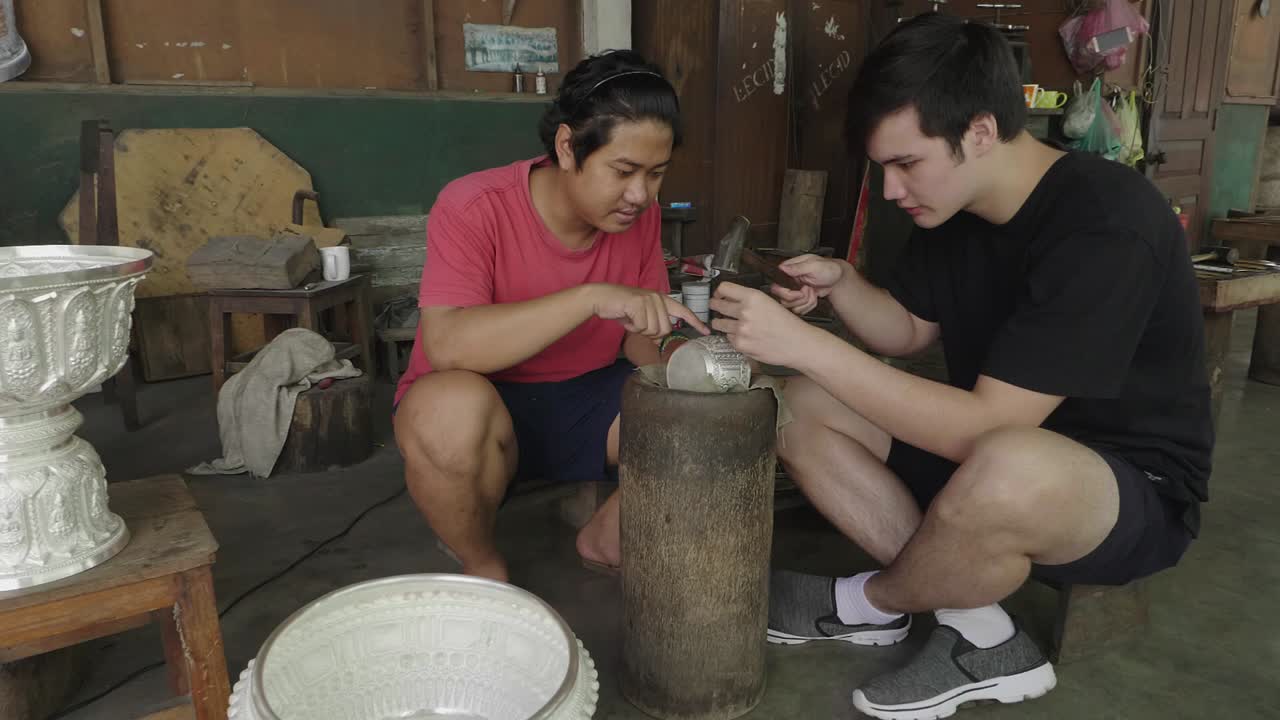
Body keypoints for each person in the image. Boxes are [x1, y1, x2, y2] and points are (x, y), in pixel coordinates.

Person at [708, 13, 1213, 719]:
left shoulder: (1107, 223)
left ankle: (867, 600)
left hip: (1121, 491)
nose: (889, 189)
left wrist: (803, 341)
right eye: (882, 167)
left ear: (978, 132)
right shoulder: (956, 208)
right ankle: (980, 631)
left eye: (906, 163)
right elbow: (909, 329)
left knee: (1008, 464)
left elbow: (986, 430)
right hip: (991, 458)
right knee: (800, 402)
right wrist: (841, 286)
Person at [393, 49, 708, 583]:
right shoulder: (473, 206)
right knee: (446, 415)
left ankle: (606, 536)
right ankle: (483, 566)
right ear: (568, 147)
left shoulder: (641, 216)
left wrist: (684, 352)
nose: (640, 195)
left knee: (710, 417)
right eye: (624, 171)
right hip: (485, 401)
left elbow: (638, 347)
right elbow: (446, 344)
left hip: (589, 397)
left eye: (656, 174)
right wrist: (591, 297)